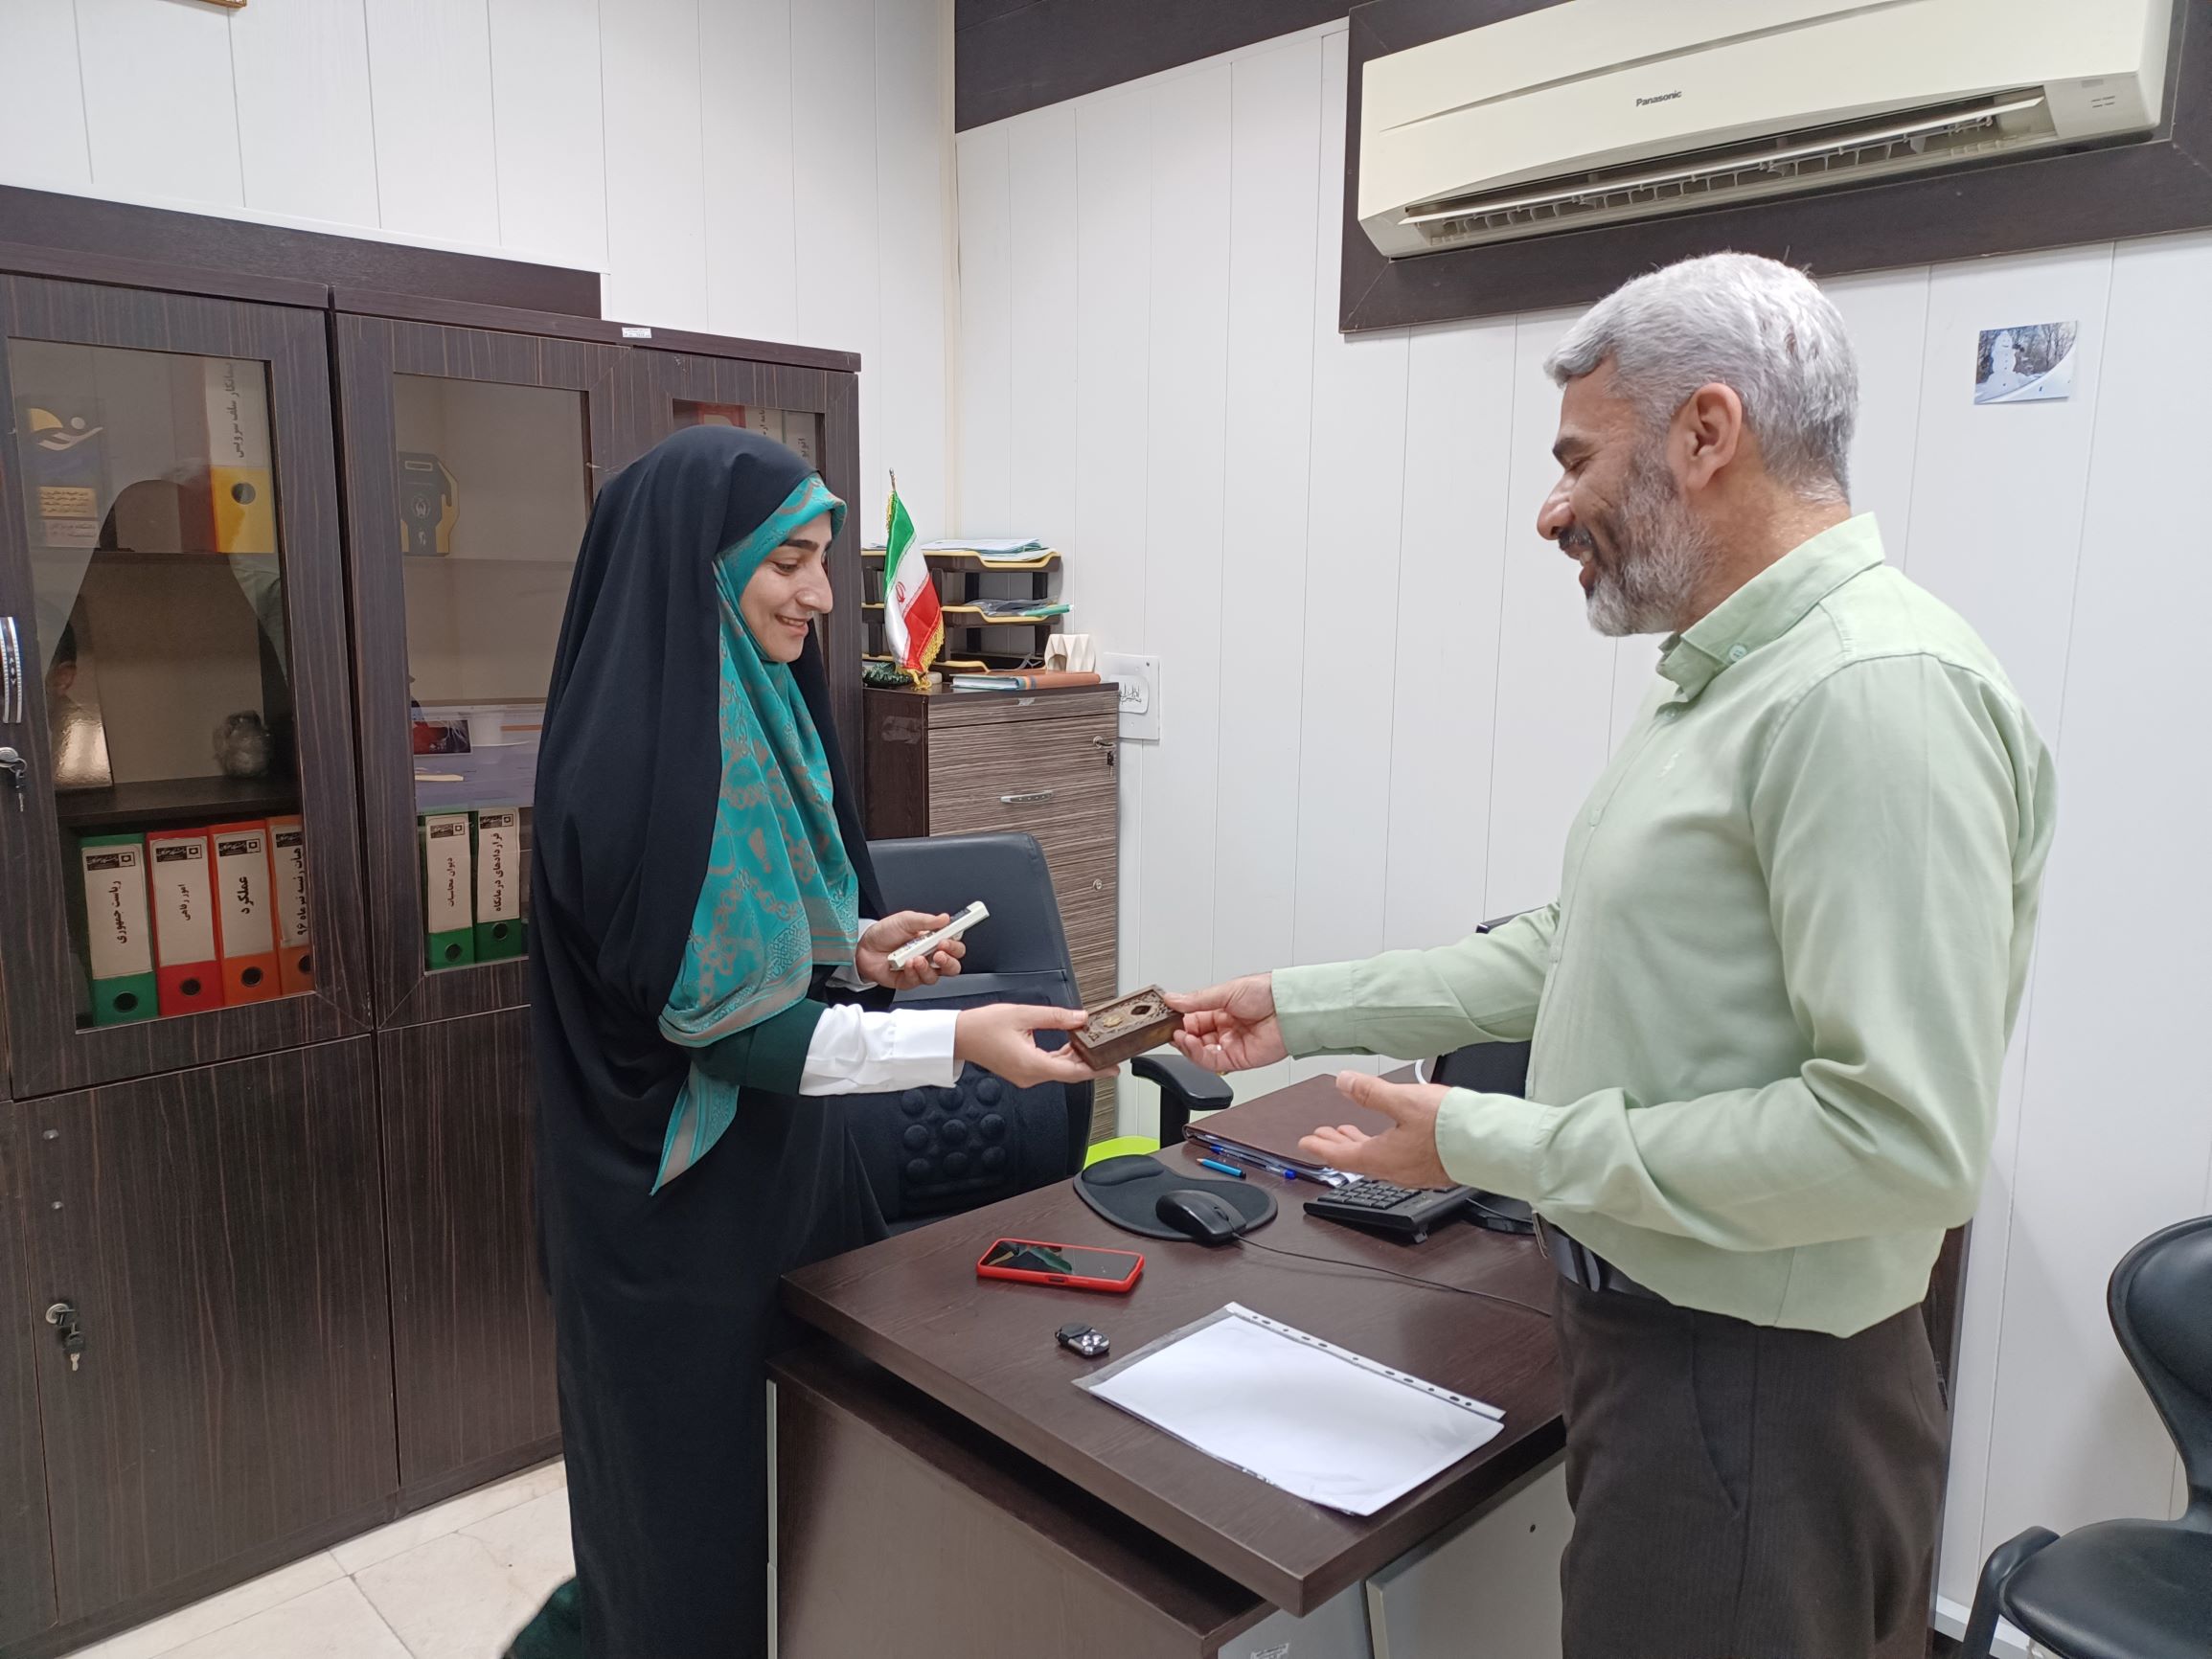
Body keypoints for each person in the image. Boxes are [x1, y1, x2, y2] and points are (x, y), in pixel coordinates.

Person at [1170, 253, 2055, 1659]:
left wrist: (1490, 1140)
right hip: (1665, 1355)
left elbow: (1896, 1140)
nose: (1551, 508)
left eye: (1577, 459)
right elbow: (1573, 946)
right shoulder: (1733, 678)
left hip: (1754, 1390)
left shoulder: (1867, 694)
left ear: (1706, 433)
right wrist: (1299, 1007)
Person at [508, 426, 1095, 1658]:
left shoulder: (747, 698)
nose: (822, 595)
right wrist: (951, 1039)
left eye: (824, 559)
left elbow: (754, 932)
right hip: (676, 1224)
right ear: (700, 563)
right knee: (691, 1536)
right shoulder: (635, 764)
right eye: (788, 563)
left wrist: (862, 949)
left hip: (778, 1184)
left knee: (812, 1507)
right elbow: (730, 1031)